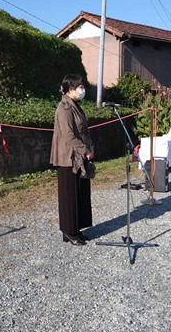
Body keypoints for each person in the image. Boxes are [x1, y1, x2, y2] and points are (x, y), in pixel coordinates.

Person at [50, 74, 94, 245]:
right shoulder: (64, 108)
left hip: (79, 155)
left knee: (80, 193)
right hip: (67, 157)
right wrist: (85, 150)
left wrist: (90, 147)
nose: (82, 89)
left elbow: (83, 130)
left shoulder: (75, 106)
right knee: (69, 195)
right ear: (70, 90)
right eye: (80, 87)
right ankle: (69, 231)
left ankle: (76, 229)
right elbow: (69, 135)